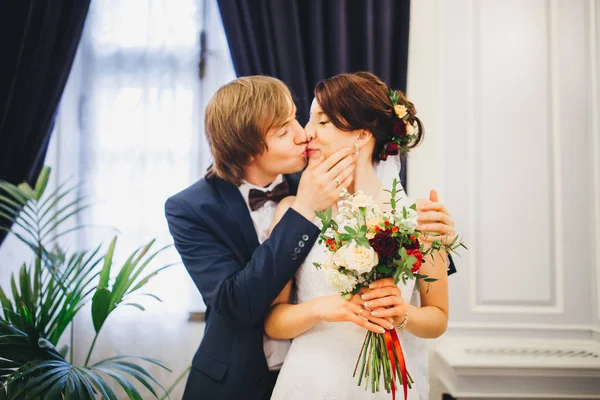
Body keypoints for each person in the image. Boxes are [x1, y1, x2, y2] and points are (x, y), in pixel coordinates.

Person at [165, 75, 455, 400]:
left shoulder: (407, 212)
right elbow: (241, 306)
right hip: (253, 380)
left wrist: (438, 238)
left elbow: (430, 297)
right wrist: (303, 210)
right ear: (249, 151)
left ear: (362, 134)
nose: (305, 134)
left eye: (309, 120)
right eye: (284, 129)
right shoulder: (198, 208)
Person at [267, 72, 450, 400]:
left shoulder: (419, 218)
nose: (307, 133)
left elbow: (437, 319)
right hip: (309, 383)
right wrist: (323, 308)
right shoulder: (293, 211)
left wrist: (402, 312)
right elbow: (273, 322)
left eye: (322, 122)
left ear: (361, 135)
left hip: (385, 387)